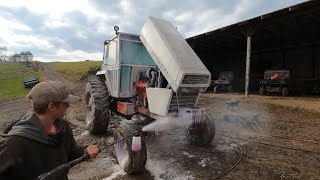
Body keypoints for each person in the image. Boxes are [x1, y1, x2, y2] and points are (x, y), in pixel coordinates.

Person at [0, 80, 100, 180]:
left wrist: (85, 150)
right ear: (51, 107)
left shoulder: (63, 127)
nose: (68, 106)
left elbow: (71, 153)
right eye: (65, 103)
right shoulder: (14, 144)